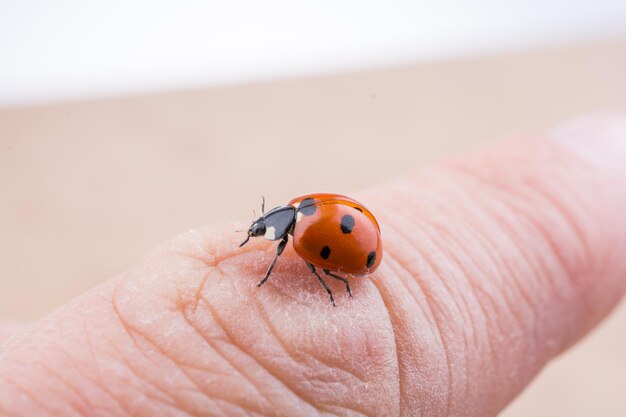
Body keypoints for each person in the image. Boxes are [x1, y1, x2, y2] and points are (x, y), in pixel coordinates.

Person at [1, 115, 625, 416]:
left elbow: (311, 250)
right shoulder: (301, 221)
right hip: (355, 238)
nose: (264, 236)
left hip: (362, 251)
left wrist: (304, 276)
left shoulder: (299, 234)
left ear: (277, 227)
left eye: (265, 232)